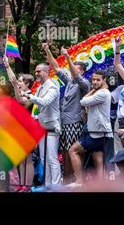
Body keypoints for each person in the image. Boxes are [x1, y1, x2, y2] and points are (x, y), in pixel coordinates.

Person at [43, 43, 90, 184]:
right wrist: (47, 50)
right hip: (64, 122)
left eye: (74, 68)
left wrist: (67, 56)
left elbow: (74, 75)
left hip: (75, 122)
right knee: (64, 153)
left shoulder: (84, 83)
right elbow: (56, 67)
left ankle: (77, 180)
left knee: (73, 152)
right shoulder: (69, 81)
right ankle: (68, 179)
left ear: (81, 71)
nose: (70, 70)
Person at [68, 70, 112, 186]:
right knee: (98, 161)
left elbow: (83, 101)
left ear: (104, 81)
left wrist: (93, 90)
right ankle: (101, 186)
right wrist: (94, 89)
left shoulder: (102, 93)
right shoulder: (100, 92)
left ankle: (79, 181)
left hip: (97, 132)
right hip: (98, 131)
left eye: (98, 80)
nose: (95, 82)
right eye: (94, 80)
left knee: (73, 150)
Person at [23, 63, 61, 186]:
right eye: (35, 71)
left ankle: (56, 186)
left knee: (52, 158)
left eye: (38, 71)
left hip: (52, 127)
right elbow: (39, 108)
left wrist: (29, 95)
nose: (36, 73)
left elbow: (45, 102)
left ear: (46, 72)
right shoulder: (40, 88)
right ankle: (48, 184)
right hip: (42, 127)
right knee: (44, 159)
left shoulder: (53, 86)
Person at [3, 55, 36, 187]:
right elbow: (13, 80)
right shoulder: (21, 92)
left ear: (27, 83)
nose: (19, 82)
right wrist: (7, 66)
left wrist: (15, 86)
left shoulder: (32, 95)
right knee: (21, 160)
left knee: (28, 160)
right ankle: (21, 185)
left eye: (21, 81)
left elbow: (21, 101)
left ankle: (28, 185)